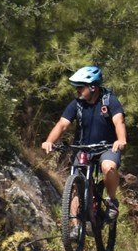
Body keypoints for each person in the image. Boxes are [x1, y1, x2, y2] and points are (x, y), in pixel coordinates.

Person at [41, 66, 128, 221]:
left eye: (80, 87)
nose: (77, 91)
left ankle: (112, 201)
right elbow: (62, 124)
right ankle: (75, 228)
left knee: (108, 167)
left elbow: (119, 121)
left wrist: (121, 140)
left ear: (93, 87)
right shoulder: (77, 104)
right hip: (83, 148)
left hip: (107, 147)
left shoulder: (109, 101)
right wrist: (49, 141)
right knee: (75, 185)